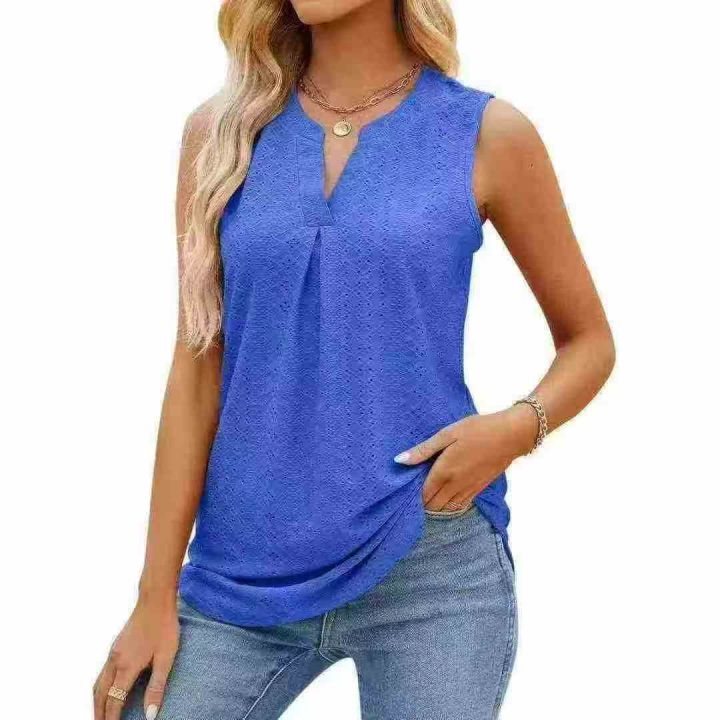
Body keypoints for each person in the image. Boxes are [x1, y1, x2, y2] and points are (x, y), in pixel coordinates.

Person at [93, 1, 615, 718]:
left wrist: (517, 428)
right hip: (240, 576)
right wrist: (154, 596)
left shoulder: (486, 134)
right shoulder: (219, 135)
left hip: (428, 559)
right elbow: (196, 372)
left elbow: (589, 340)